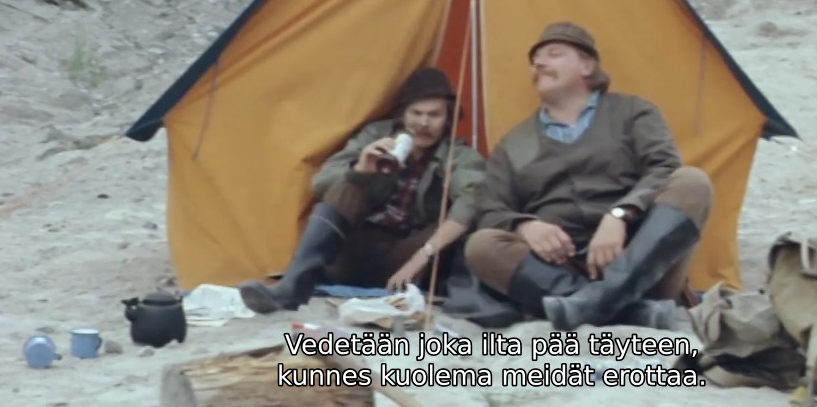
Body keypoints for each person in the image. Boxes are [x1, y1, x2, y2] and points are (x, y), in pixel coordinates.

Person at [463, 22, 714, 331]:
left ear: (587, 65)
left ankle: (597, 302)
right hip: (559, 270)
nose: (539, 64)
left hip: (643, 265)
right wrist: (524, 225)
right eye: (535, 60)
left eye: (554, 54)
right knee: (480, 246)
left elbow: (664, 168)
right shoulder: (513, 143)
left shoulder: (633, 112)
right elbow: (490, 209)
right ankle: (626, 311)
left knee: (692, 182)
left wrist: (619, 214)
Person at [239, 67, 486, 314]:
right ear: (403, 113)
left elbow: (472, 200)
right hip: (354, 248)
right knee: (347, 187)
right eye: (416, 113)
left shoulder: (459, 154)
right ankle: (289, 290)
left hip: (406, 258)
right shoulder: (376, 135)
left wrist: (421, 257)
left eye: (434, 115)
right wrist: (360, 169)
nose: (423, 123)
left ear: (448, 117)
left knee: (458, 220)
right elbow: (321, 182)